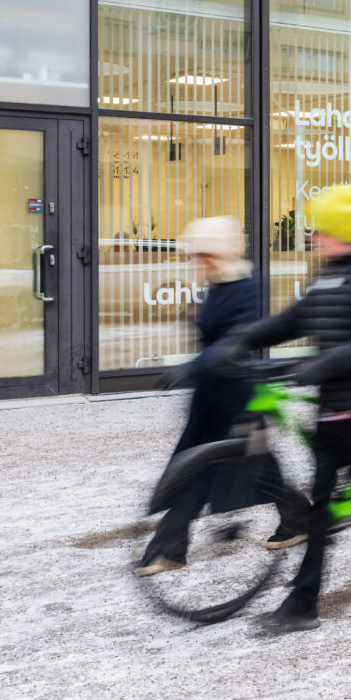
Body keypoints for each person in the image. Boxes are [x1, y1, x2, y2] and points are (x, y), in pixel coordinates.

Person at [213, 183, 351, 633]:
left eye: (321, 230)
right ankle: (303, 605)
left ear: (343, 230)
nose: (313, 238)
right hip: (332, 403)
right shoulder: (332, 270)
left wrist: (321, 366)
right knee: (321, 509)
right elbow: (298, 317)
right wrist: (241, 339)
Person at [136, 217, 304, 576]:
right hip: (212, 396)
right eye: (197, 255)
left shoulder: (247, 287)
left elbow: (234, 341)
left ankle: (168, 548)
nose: (200, 262)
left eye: (206, 255)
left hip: (238, 397)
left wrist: (192, 366)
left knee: (207, 468)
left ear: (224, 252)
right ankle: (298, 519)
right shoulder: (217, 284)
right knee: (240, 465)